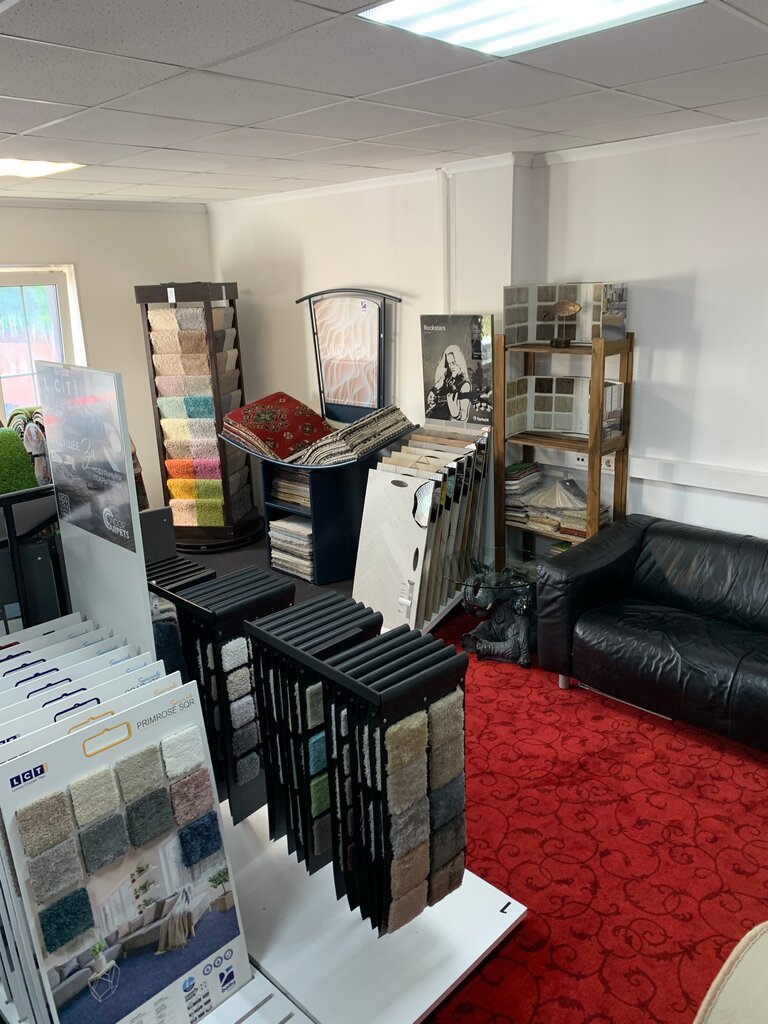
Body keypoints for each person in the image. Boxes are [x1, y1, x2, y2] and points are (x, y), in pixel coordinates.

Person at [426, 345, 471, 421]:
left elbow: (464, 415)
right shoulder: (447, 374)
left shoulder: (465, 385)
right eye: (449, 363)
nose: (451, 366)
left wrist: (456, 413)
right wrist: (433, 391)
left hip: (447, 420)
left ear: (459, 361)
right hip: (435, 415)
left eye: (453, 363)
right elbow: (439, 383)